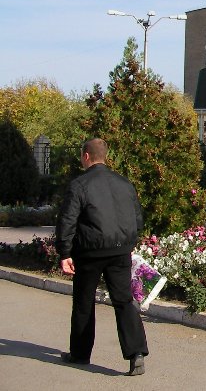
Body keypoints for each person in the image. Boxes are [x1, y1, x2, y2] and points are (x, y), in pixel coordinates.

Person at [55, 137, 149, 376]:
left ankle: (80, 353)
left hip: (90, 252)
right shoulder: (125, 183)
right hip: (120, 251)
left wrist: (65, 252)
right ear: (104, 156)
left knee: (84, 302)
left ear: (86, 156)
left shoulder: (80, 185)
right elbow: (138, 220)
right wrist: (128, 242)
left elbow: (67, 220)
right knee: (124, 301)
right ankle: (136, 352)